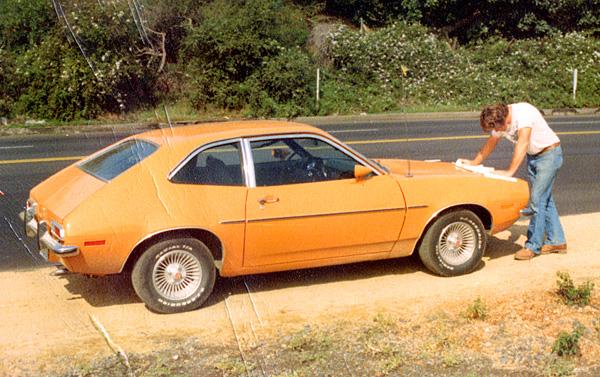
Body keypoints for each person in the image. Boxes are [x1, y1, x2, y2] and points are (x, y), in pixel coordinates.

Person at [458, 102, 567, 260]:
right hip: (534, 156)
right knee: (545, 199)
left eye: (497, 128)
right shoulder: (500, 116)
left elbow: (522, 143)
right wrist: (474, 162)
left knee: (536, 200)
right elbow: (491, 143)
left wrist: (510, 171)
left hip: (549, 155)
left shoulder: (523, 115)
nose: (496, 132)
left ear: (505, 121)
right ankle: (557, 241)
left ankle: (533, 247)